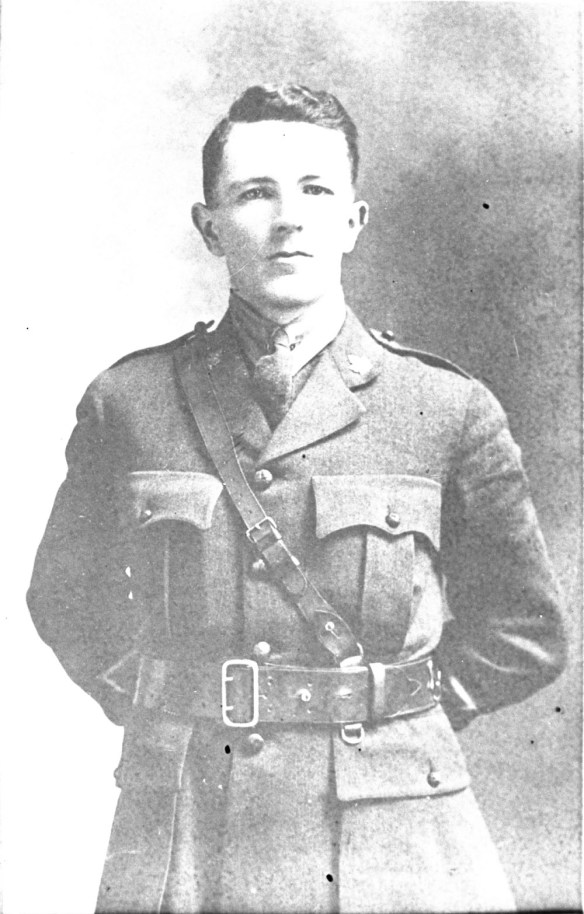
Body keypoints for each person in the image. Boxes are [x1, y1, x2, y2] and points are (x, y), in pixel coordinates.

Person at [27, 84, 567, 914]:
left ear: (353, 220)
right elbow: (66, 596)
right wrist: (169, 711)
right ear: (209, 226)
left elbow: (526, 632)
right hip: (187, 821)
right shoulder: (128, 403)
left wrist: (394, 717)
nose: (289, 219)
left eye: (316, 190)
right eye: (255, 193)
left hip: (394, 836)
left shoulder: (447, 408)